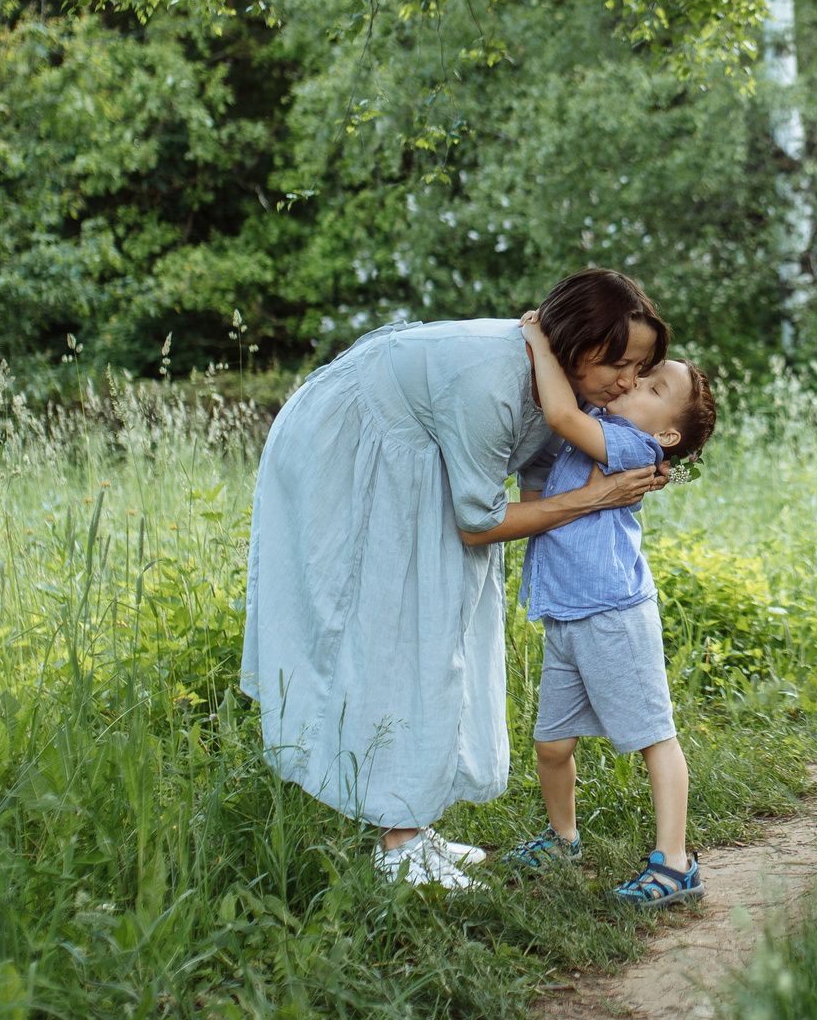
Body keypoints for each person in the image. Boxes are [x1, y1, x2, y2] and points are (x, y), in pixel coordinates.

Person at [241, 270, 673, 889]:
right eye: (619, 364)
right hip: (352, 439)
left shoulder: (567, 389)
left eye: (640, 368)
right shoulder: (493, 383)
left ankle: (413, 822)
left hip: (415, 445)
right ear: (576, 342)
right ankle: (399, 845)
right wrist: (597, 499)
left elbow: (543, 488)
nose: (629, 383)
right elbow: (480, 524)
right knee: (395, 627)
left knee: (446, 622)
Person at [500, 310, 718, 907]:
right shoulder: (604, 424)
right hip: (567, 616)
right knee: (551, 743)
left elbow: (559, 413)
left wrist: (542, 341)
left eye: (651, 387)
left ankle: (675, 864)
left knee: (653, 736)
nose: (631, 384)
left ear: (667, 436)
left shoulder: (632, 444)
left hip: (614, 616)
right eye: (636, 372)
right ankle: (563, 838)